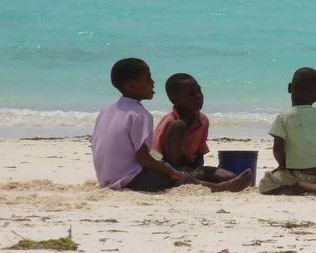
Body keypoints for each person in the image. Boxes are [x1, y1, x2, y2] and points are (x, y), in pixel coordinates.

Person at [91, 58, 251, 193]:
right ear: (131, 86)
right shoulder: (140, 114)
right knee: (176, 177)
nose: (153, 83)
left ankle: (218, 182)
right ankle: (218, 188)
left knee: (177, 173)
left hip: (106, 178)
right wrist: (172, 172)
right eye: (148, 79)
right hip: (129, 180)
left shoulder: (106, 110)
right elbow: (143, 158)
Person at [152, 73, 240, 185]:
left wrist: (199, 169)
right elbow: (155, 153)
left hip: (191, 167)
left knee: (230, 176)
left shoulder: (203, 120)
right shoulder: (170, 121)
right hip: (168, 167)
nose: (198, 96)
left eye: (199, 91)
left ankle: (194, 179)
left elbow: (200, 151)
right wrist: (172, 169)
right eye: (191, 95)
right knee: (179, 125)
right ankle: (186, 177)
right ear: (175, 100)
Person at [258, 67, 316, 195]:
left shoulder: (284, 117)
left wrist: (282, 165)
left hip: (299, 175)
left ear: (290, 88)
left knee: (265, 184)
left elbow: (278, 147)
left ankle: (301, 187)